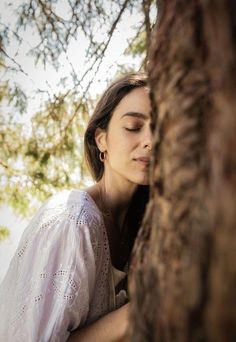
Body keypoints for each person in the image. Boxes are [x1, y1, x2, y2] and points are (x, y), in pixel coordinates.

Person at [0, 73, 152, 341]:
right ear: (101, 139)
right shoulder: (72, 219)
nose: (151, 140)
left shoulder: (145, 231)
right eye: (132, 126)